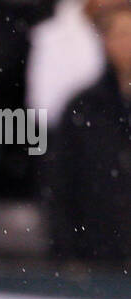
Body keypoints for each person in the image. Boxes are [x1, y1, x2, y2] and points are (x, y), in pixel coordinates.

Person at [45, 0, 131, 264]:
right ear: (105, 41)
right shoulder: (83, 107)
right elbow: (61, 181)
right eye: (121, 34)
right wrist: (68, 249)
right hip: (99, 251)